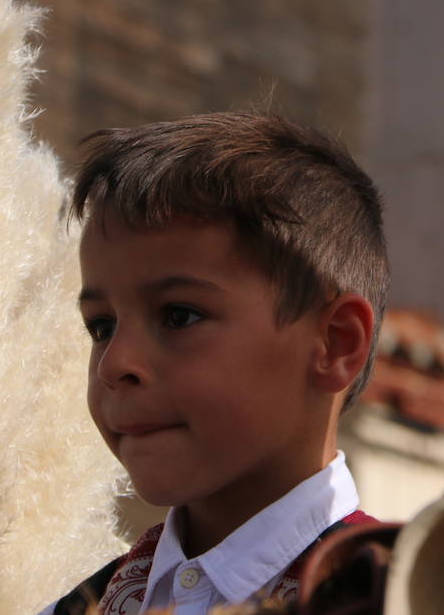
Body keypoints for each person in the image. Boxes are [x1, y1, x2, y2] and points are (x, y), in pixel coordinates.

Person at [39, 111, 387, 615]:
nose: (116, 363)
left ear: (335, 343)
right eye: (102, 327)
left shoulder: (406, 596)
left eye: (179, 315)